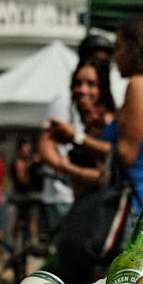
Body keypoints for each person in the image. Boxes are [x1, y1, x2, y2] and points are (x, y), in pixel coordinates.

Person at [47, 16, 143, 266]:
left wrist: (75, 137)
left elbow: (126, 154)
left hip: (136, 215)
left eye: (119, 47)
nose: (114, 56)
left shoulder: (139, 85)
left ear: (137, 47)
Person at [38, 32, 114, 234]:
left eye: (104, 61)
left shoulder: (106, 109)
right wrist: (67, 168)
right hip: (65, 195)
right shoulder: (66, 100)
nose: (83, 90)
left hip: (97, 199)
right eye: (95, 58)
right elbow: (46, 143)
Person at [40, 57, 116, 199]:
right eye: (78, 83)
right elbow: (46, 144)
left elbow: (104, 174)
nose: (82, 90)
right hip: (77, 201)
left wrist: (69, 168)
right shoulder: (71, 113)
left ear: (102, 88)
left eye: (91, 84)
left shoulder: (109, 122)